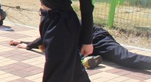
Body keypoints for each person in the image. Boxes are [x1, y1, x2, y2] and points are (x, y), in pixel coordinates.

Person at [10, 25, 151, 71]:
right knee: (119, 60)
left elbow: (45, 37)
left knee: (124, 58)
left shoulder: (60, 20)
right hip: (91, 46)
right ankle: (90, 59)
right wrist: (24, 42)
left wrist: (27, 45)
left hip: (97, 38)